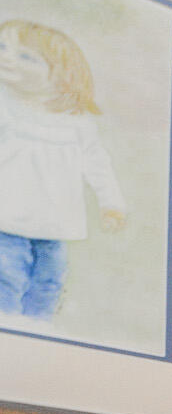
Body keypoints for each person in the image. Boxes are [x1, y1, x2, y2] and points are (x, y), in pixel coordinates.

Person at [0, 18, 126, 324]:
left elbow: (97, 164)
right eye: (3, 47)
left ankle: (38, 334)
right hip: (6, 221)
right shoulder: (5, 107)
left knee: (48, 284)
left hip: (55, 225)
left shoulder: (77, 122)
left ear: (61, 74)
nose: (7, 58)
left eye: (25, 56)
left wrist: (112, 204)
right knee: (7, 280)